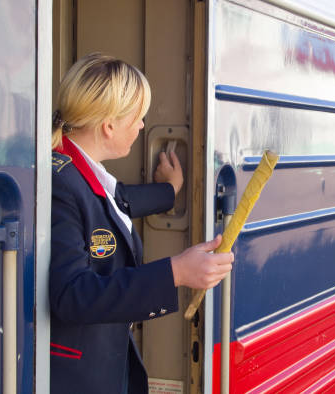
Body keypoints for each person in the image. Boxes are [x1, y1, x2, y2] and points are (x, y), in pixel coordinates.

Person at [49, 53, 233, 394]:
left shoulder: (76, 169)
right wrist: (175, 271)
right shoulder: (61, 184)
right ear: (109, 125)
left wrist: (170, 190)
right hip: (80, 379)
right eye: (138, 117)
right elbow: (71, 294)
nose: (142, 127)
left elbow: (117, 200)